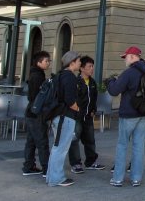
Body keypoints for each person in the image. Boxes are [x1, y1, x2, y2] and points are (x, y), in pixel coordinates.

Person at [107, 46, 145, 187]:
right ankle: (136, 178)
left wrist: (110, 81)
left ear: (132, 57)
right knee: (139, 146)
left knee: (122, 145)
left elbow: (114, 90)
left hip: (128, 113)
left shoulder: (129, 73)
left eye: (125, 57)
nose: (124, 60)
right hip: (143, 113)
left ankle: (118, 178)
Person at [46, 50, 81, 187]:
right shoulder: (70, 77)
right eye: (78, 61)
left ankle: (52, 176)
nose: (80, 63)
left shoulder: (59, 75)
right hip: (65, 116)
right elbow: (70, 100)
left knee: (57, 147)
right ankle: (56, 178)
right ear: (72, 63)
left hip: (58, 115)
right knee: (61, 148)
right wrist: (78, 109)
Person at [68, 56, 105, 173]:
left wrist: (93, 110)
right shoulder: (76, 82)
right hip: (77, 117)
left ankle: (91, 161)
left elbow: (94, 99)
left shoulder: (92, 82)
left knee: (90, 140)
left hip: (88, 117)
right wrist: (77, 111)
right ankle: (75, 164)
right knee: (74, 140)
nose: (92, 69)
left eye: (92, 66)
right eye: (89, 66)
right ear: (82, 68)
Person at [22, 50, 51, 177]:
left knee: (31, 141)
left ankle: (28, 166)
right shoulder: (38, 76)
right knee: (41, 141)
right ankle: (46, 169)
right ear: (39, 62)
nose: (48, 63)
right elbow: (39, 96)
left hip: (31, 112)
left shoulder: (34, 74)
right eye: (46, 61)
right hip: (36, 113)